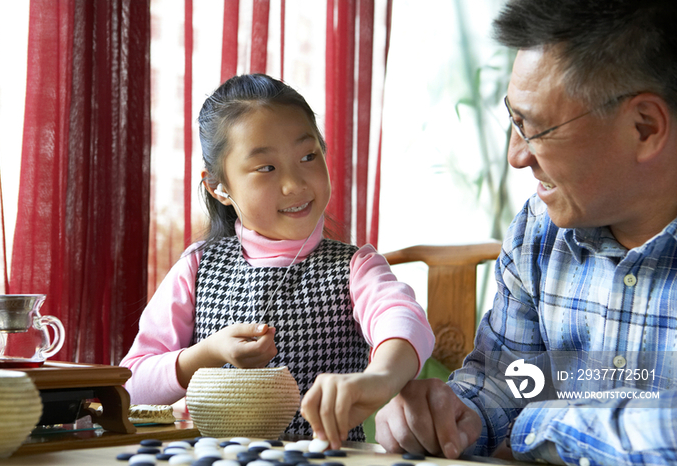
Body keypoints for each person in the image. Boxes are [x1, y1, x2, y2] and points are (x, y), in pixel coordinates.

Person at [374, 1, 677, 465]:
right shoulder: (541, 230)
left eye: (534, 128)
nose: (517, 155)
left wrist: (539, 426)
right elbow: (512, 378)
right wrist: (456, 414)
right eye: (513, 119)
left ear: (644, 127)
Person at [120, 73, 434, 447]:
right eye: (266, 168)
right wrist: (205, 354)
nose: (295, 184)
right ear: (218, 187)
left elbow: (403, 319)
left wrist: (380, 377)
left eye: (308, 156)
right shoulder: (197, 267)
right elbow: (129, 387)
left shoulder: (355, 268)